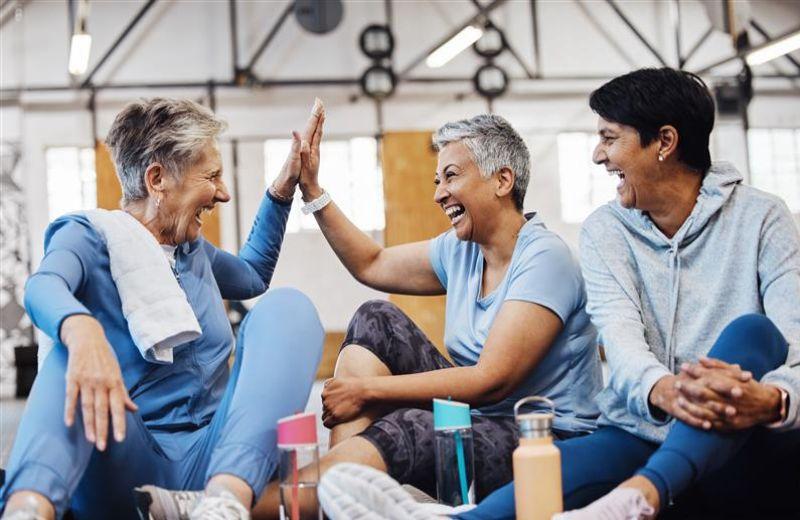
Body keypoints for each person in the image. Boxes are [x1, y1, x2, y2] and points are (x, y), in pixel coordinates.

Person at [316, 68, 800, 520]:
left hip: (736, 426)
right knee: (507, 497)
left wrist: (775, 400)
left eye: (610, 138)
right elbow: (624, 342)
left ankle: (643, 493)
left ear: (665, 143)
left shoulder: (762, 219)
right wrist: (662, 389)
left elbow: (792, 344)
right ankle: (358, 500)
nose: (597, 155)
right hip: (640, 427)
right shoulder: (606, 230)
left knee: (752, 332)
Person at [252, 108, 603, 518]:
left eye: (451, 176)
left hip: (546, 442)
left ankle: (251, 507)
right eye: (439, 180)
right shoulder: (461, 250)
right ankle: (337, 504)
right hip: (481, 419)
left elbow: (491, 380)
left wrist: (367, 391)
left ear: (502, 180)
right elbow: (372, 263)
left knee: (413, 430)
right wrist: (312, 190)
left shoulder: (546, 258)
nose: (438, 193)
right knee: (376, 319)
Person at [0, 99, 325, 520]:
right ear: (157, 179)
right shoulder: (90, 236)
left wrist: (282, 191)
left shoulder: (193, 252)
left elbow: (251, 277)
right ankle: (28, 509)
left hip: (219, 460)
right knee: (68, 355)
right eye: (211, 177)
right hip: (125, 463)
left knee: (288, 306)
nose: (223, 193)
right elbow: (43, 286)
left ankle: (225, 503)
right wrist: (82, 330)